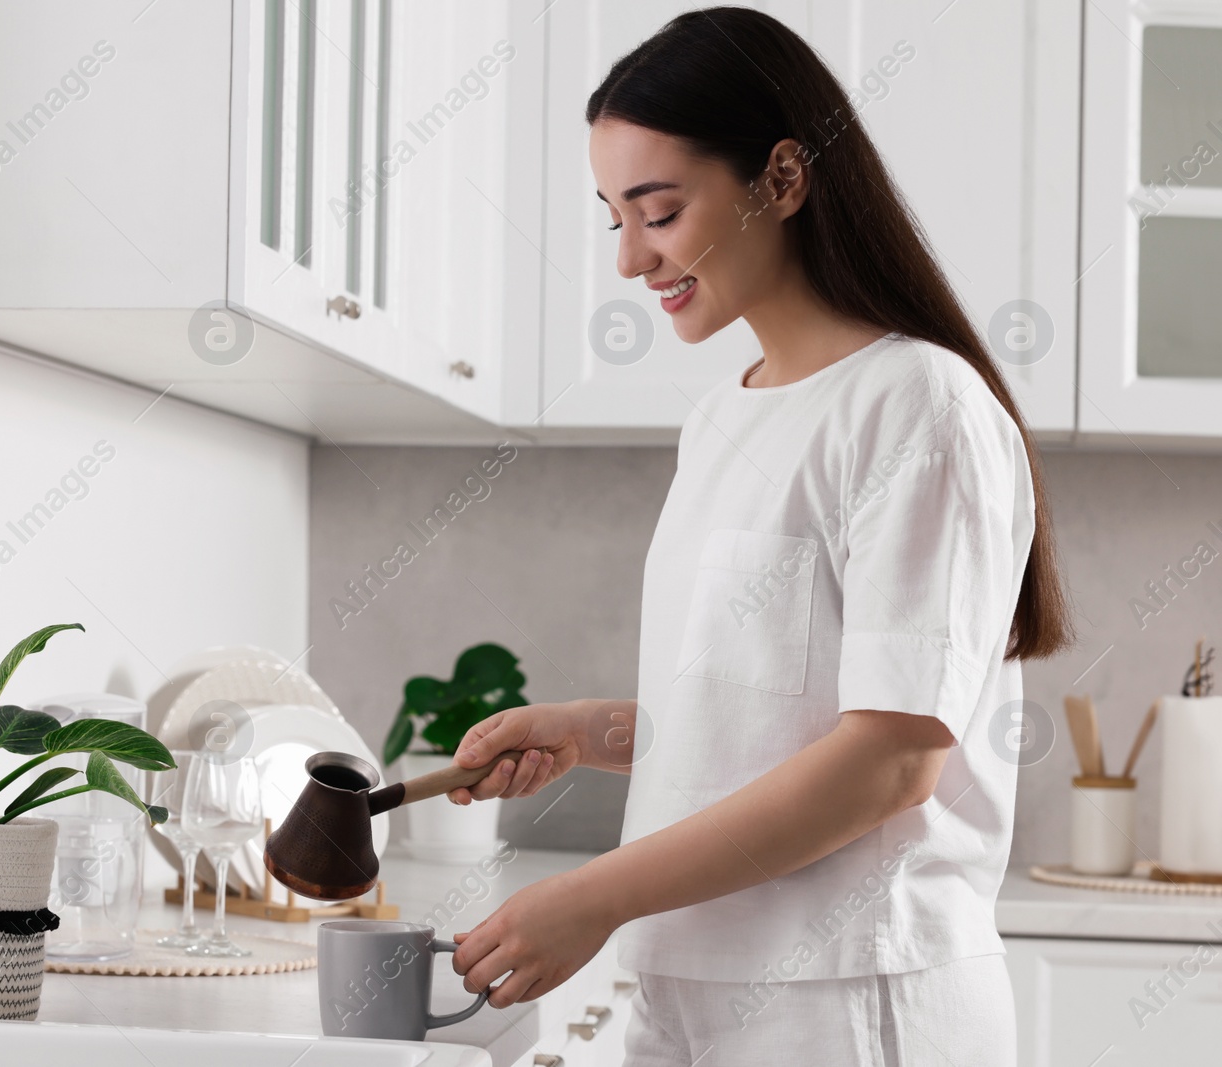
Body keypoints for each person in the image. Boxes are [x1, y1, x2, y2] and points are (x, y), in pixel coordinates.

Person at [443, 8, 1072, 1063]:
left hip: (851, 996)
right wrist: (587, 731)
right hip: (689, 982)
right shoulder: (725, 415)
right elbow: (782, 713)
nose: (632, 260)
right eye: (614, 219)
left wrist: (592, 893)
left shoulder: (915, 404)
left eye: (659, 210)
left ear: (782, 178)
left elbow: (884, 764)